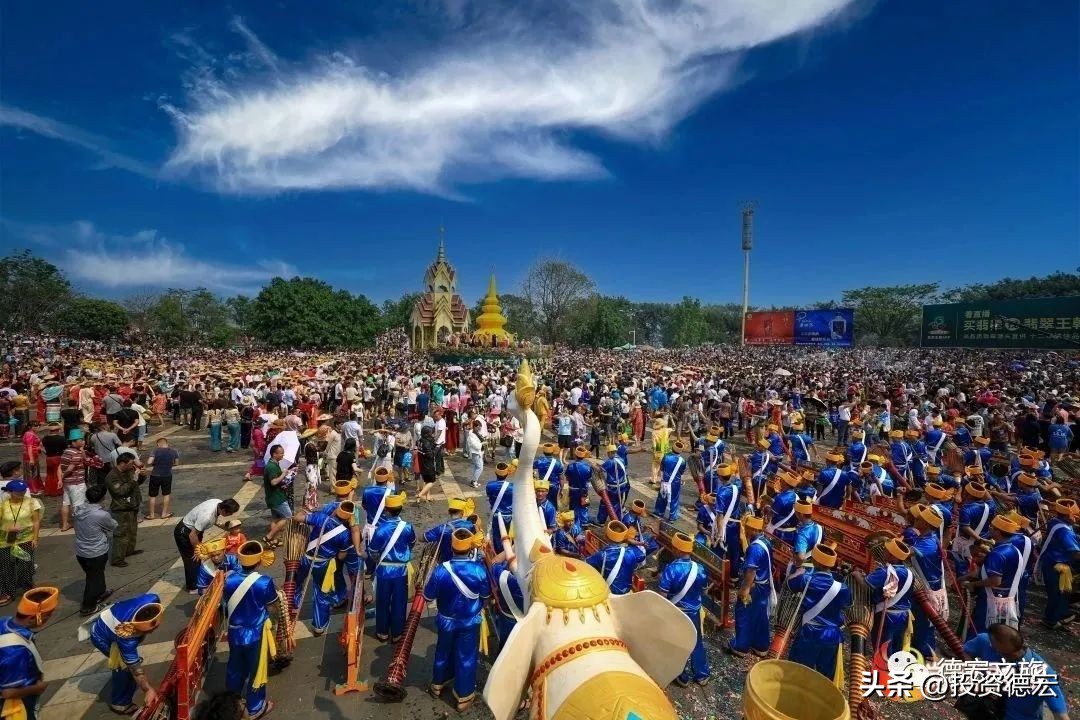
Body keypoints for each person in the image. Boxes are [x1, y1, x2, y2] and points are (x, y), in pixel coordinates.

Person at [423, 528, 490, 711]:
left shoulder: (440, 570)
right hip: (469, 621)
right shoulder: (479, 570)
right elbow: (485, 597)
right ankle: (463, 696)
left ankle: (438, 683)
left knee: (442, 651)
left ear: (452, 547)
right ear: (470, 549)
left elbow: (428, 597)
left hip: (445, 621)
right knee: (466, 656)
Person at [962, 624, 1071, 720]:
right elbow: (966, 652)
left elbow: (1061, 715)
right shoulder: (985, 641)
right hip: (984, 710)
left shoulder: (1042, 674)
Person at [223, 541, 280, 719]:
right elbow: (272, 607)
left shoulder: (229, 579)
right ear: (259, 560)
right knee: (256, 669)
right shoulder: (264, 582)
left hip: (234, 632)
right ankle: (255, 707)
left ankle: (231, 704)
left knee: (235, 666)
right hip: (256, 633)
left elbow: (225, 604)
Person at [86, 593, 163, 714]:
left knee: (129, 662)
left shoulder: (152, 599)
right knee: (123, 667)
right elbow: (135, 669)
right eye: (149, 631)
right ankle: (120, 703)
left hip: (114, 615)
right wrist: (147, 689)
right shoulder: (127, 637)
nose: (152, 632)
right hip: (101, 636)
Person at [786, 544, 851, 681]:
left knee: (799, 672)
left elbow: (789, 585)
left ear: (814, 561)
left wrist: (798, 573)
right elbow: (848, 604)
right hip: (832, 636)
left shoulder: (807, 580)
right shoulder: (842, 588)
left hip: (810, 633)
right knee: (825, 677)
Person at [292, 502, 354, 636]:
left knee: (296, 582)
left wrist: (303, 511)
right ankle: (319, 625)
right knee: (321, 593)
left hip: (306, 559)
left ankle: (293, 605)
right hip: (323, 564)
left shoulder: (321, 518)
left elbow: (297, 518)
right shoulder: (345, 534)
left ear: (336, 511)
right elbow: (342, 556)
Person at [658, 531, 710, 687]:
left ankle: (682, 676)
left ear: (677, 550)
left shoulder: (671, 569)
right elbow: (705, 590)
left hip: (677, 612)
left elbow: (662, 595)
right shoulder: (700, 569)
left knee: (676, 644)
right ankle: (702, 675)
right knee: (696, 642)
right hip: (694, 612)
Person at [0, 587, 59, 720]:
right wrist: (37, 688)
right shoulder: (16, 652)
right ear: (33, 617)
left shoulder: (5, 621)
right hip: (13, 706)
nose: (48, 618)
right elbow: (8, 692)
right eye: (47, 615)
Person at [964, 514, 1026, 634]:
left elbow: (995, 581)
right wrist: (967, 577)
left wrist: (974, 584)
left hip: (991, 600)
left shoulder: (997, 554)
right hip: (1006, 598)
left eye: (992, 527)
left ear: (998, 532)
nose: (990, 528)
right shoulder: (1014, 549)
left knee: (979, 630)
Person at [366, 492, 414, 642]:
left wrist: (379, 560)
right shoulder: (407, 527)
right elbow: (411, 544)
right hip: (401, 571)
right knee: (400, 602)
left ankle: (382, 632)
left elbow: (372, 551)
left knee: (382, 601)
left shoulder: (381, 529)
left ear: (386, 511)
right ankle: (398, 633)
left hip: (384, 571)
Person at [903, 504, 947, 660]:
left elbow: (905, 553)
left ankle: (925, 653)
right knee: (922, 621)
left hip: (926, 588)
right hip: (924, 585)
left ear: (926, 524)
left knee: (923, 622)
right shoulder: (926, 537)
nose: (916, 519)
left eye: (919, 518)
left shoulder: (927, 543)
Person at [727, 516, 774, 658]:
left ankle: (741, 646)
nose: (745, 532)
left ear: (753, 529)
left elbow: (751, 570)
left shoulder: (755, 548)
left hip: (753, 588)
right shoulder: (766, 541)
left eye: (747, 529)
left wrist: (745, 589)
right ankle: (761, 646)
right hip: (764, 586)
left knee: (744, 612)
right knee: (760, 615)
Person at [175, 498, 241, 594]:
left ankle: (197, 580)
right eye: (229, 514)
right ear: (223, 510)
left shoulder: (218, 502)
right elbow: (192, 535)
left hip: (196, 530)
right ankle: (193, 587)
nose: (229, 516)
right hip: (185, 533)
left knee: (197, 559)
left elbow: (214, 520)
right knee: (193, 558)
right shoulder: (207, 517)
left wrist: (224, 527)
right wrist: (198, 550)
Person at [861, 538, 914, 656]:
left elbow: (865, 584)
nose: (883, 553)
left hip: (886, 615)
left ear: (893, 556)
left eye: (886, 551)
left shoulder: (885, 571)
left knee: (883, 649)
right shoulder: (910, 573)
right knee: (896, 647)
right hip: (904, 615)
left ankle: (883, 672)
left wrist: (856, 575)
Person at [73, 484, 116, 615]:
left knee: (94, 574)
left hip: (81, 551)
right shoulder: (101, 515)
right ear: (102, 498)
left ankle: (100, 592)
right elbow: (113, 525)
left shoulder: (78, 510)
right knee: (93, 579)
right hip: (96, 551)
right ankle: (88, 606)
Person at [0, 481, 42, 607]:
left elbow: (36, 522)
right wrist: (8, 529)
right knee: (5, 567)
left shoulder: (31, 502)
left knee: (26, 564)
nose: (22, 494)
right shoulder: (3, 505)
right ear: (10, 492)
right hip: (6, 540)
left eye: (23, 492)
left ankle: (27, 586)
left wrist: (35, 538)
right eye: (18, 493)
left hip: (26, 539)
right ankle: (6, 592)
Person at [1039, 498, 1079, 629]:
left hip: (1051, 561)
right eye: (1075, 516)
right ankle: (1051, 620)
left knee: (1060, 592)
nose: (1077, 519)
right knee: (1058, 593)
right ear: (1068, 516)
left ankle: (1059, 614)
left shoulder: (1056, 521)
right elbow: (1075, 553)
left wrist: (1053, 504)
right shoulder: (1065, 531)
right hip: (1056, 565)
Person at [106, 450, 144, 567]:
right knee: (121, 533)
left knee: (132, 530)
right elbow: (120, 491)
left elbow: (136, 483)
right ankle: (117, 558)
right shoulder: (112, 476)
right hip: (121, 508)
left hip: (132, 505)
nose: (133, 466)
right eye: (130, 463)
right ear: (122, 463)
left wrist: (141, 476)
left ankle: (129, 550)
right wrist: (134, 480)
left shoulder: (129, 471)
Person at [586, 521, 644, 595]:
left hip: (610, 592)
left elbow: (586, 563)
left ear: (606, 536)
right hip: (627, 591)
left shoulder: (603, 554)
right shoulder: (631, 552)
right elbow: (640, 558)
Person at [424, 498, 476, 563]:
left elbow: (423, 538)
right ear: (462, 513)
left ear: (449, 512)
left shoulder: (442, 529)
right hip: (467, 561)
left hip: (447, 563)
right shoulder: (470, 525)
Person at [59, 428, 89, 531]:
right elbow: (71, 468)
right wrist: (63, 475)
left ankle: (64, 524)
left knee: (65, 503)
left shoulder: (66, 451)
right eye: (80, 440)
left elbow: (61, 466)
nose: (82, 441)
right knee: (78, 504)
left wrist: (61, 478)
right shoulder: (76, 453)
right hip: (76, 483)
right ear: (74, 441)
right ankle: (80, 525)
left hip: (67, 483)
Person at [260, 445, 290, 548]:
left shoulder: (274, 464)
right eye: (281, 453)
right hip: (277, 498)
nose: (283, 455)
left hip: (273, 497)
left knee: (275, 519)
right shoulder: (271, 467)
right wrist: (283, 474)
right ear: (274, 454)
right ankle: (269, 536)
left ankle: (273, 541)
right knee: (288, 517)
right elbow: (273, 482)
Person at [145, 437, 179, 521]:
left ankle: (152, 515)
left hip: (155, 475)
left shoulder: (155, 450)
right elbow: (176, 463)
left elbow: (149, 462)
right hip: (167, 475)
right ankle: (164, 514)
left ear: (158, 444)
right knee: (166, 494)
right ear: (167, 443)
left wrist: (155, 463)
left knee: (152, 496)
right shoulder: (174, 451)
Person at [484, 461, 514, 556]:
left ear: (496, 473)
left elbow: (489, 496)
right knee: (510, 537)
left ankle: (498, 555)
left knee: (497, 538)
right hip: (510, 516)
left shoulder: (490, 485)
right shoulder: (513, 487)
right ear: (507, 473)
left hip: (496, 515)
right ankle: (508, 555)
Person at [654, 439, 687, 521]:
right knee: (674, 499)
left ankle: (659, 512)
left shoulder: (666, 456)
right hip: (675, 483)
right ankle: (672, 517)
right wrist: (681, 481)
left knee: (662, 497)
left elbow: (661, 469)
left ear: (672, 448)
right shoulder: (682, 461)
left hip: (665, 481)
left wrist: (662, 479)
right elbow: (681, 473)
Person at [564, 445, 593, 526]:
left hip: (572, 491)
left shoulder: (570, 466)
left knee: (572, 506)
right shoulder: (587, 467)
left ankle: (572, 522)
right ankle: (584, 522)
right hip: (583, 491)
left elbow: (567, 477)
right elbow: (589, 479)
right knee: (583, 506)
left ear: (575, 455)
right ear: (583, 457)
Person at [533, 442, 563, 508]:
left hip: (542, 486)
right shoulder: (558, 463)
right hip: (554, 487)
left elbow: (530, 470)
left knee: (541, 504)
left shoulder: (538, 462)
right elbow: (561, 478)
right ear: (553, 452)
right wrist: (561, 489)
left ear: (543, 452)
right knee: (553, 503)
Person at [40, 423, 66, 497]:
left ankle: (48, 490)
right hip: (58, 457)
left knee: (49, 474)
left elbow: (41, 448)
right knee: (57, 474)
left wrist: (46, 453)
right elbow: (65, 449)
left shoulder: (45, 438)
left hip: (49, 458)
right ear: (58, 430)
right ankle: (57, 490)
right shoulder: (61, 438)